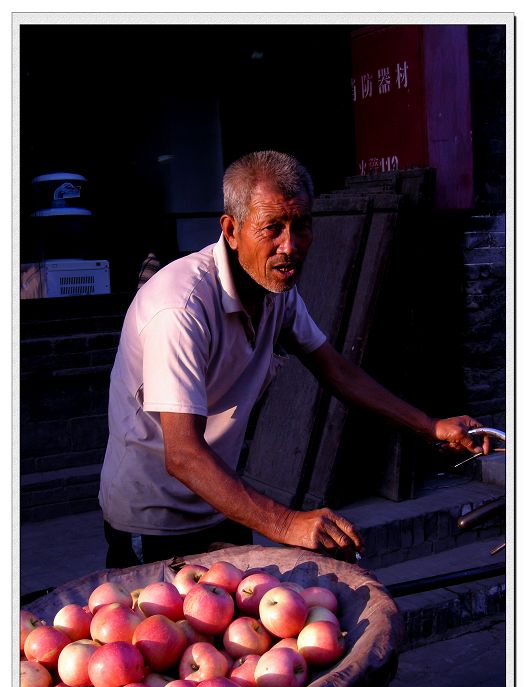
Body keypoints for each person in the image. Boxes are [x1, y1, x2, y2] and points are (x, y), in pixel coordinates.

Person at [99, 150, 488, 568]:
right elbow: (183, 455)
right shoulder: (181, 307)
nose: (290, 246)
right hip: (153, 520)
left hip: (224, 503)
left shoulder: (274, 292)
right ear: (231, 231)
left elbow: (334, 369)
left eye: (301, 225)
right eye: (273, 228)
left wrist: (430, 427)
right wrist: (287, 524)